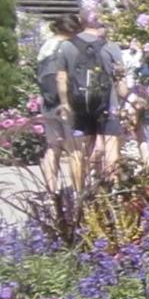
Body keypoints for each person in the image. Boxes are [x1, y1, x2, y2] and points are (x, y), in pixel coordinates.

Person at [56, 9, 127, 178]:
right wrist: (123, 98)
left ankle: (79, 194)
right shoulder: (111, 47)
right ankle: (112, 193)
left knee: (78, 152)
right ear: (100, 24)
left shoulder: (67, 46)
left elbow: (60, 78)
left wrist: (65, 103)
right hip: (107, 105)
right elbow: (121, 80)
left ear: (81, 22)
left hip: (79, 104)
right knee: (110, 149)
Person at [36, 13, 82, 189]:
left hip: (47, 101)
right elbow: (65, 77)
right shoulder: (66, 47)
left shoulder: (45, 47)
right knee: (74, 149)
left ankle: (51, 190)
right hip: (65, 101)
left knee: (52, 147)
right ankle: (78, 191)